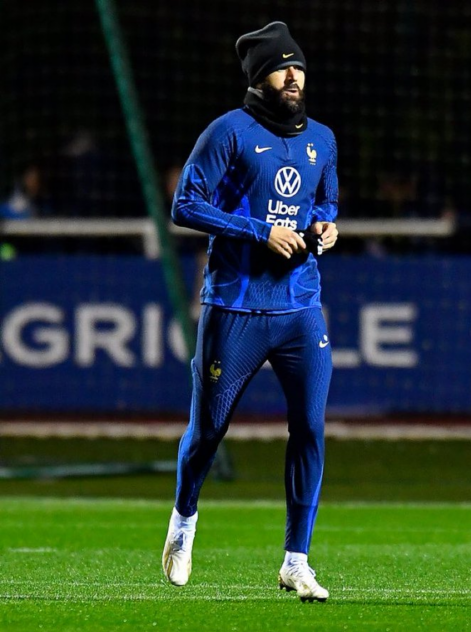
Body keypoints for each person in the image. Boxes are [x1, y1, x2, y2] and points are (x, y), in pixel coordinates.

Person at [162, 22, 339, 602]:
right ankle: (183, 525)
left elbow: (325, 200)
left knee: (310, 428)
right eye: (282, 67)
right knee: (209, 429)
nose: (295, 76)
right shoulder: (228, 132)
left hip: (300, 309)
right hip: (235, 308)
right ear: (259, 76)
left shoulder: (323, 139)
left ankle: (296, 560)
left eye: (299, 67)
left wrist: (324, 227)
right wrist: (259, 230)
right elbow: (184, 205)